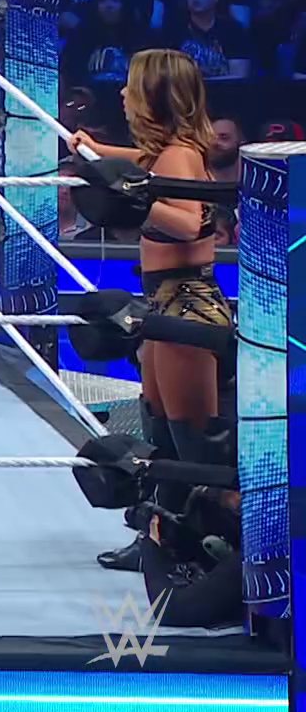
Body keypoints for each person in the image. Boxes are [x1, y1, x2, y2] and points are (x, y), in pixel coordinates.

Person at [73, 49, 234, 572]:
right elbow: (145, 166)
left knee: (193, 441)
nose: (122, 93)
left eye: (131, 85)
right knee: (159, 429)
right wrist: (100, 154)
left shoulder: (180, 155)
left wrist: (132, 194)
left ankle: (220, 547)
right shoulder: (168, 153)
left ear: (154, 96)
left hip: (187, 308)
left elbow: (188, 223)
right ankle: (160, 539)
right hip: (166, 302)